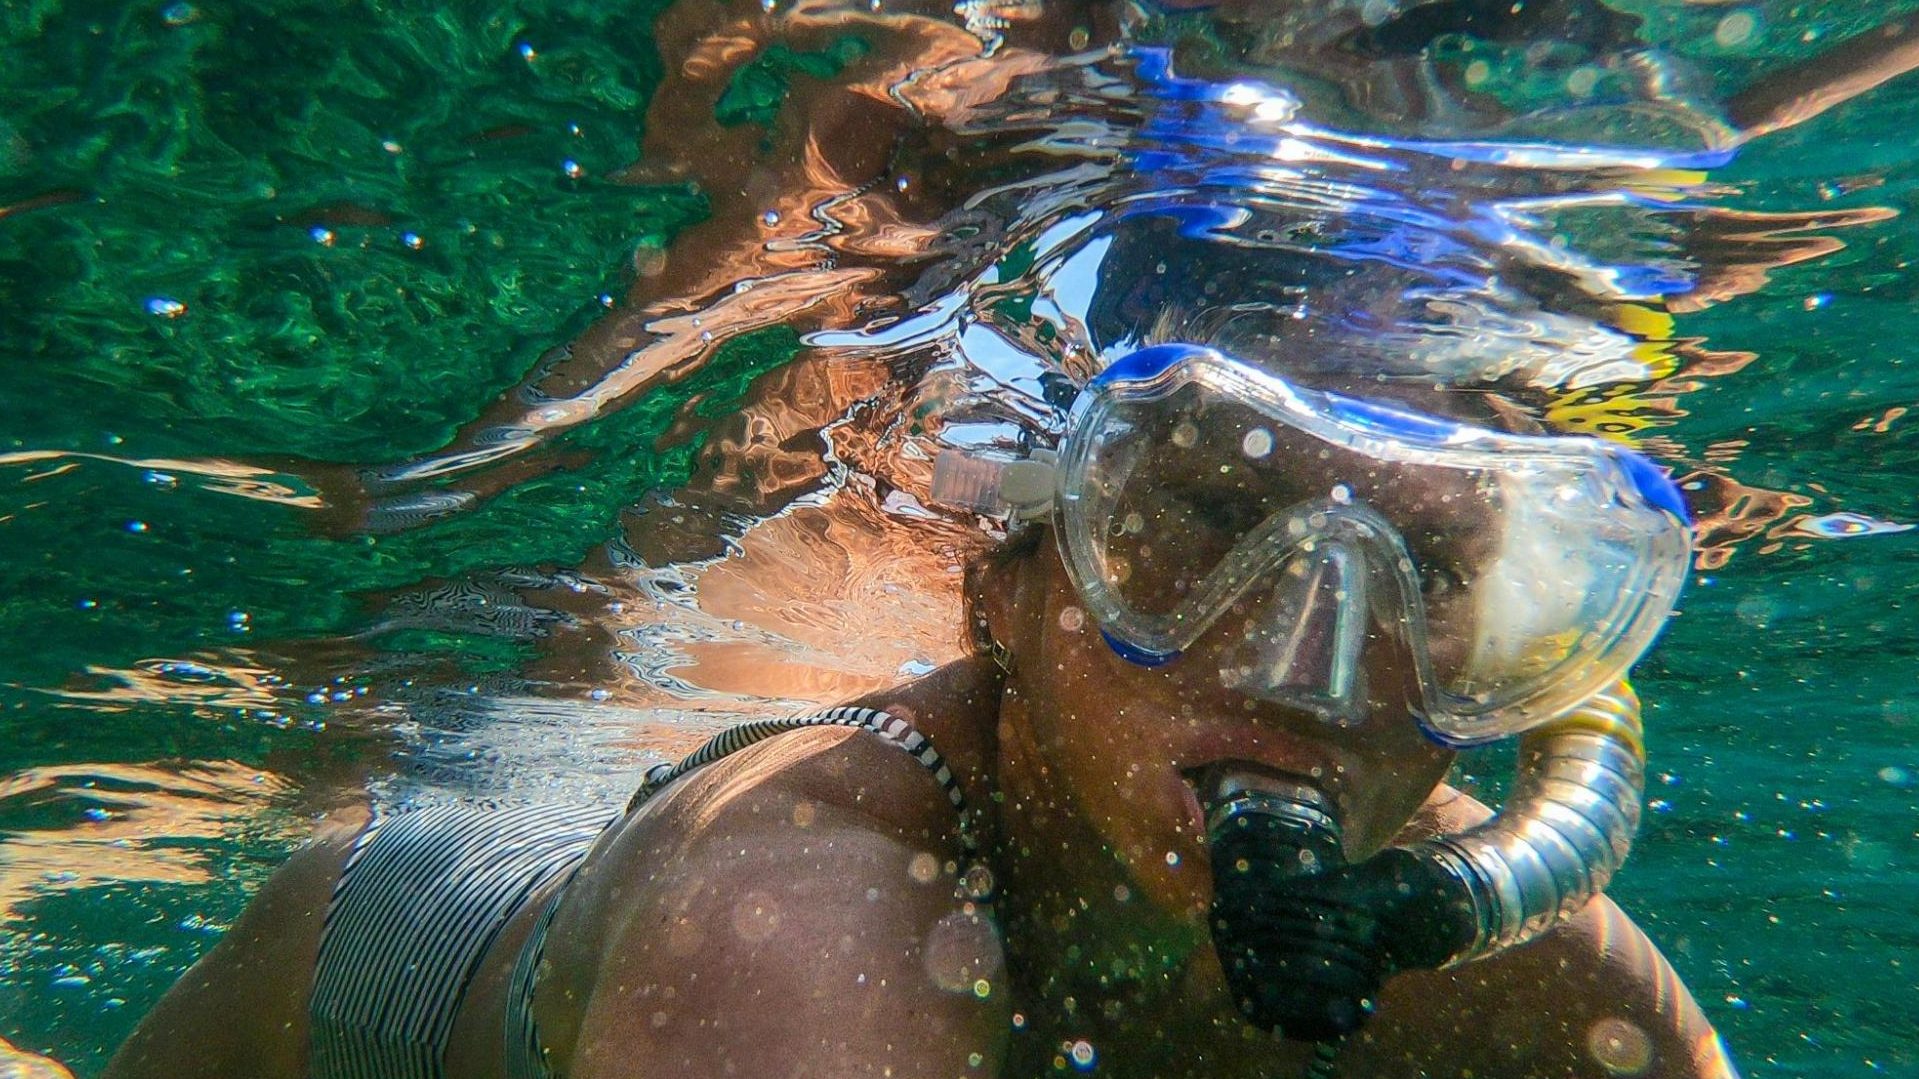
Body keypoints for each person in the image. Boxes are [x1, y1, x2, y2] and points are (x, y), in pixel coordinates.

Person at [105, 338, 1737, 1079]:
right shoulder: (798, 905)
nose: (1307, 662)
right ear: (1006, 587)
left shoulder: (1506, 956)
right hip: (402, 955)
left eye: (1425, 576)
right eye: (1207, 527)